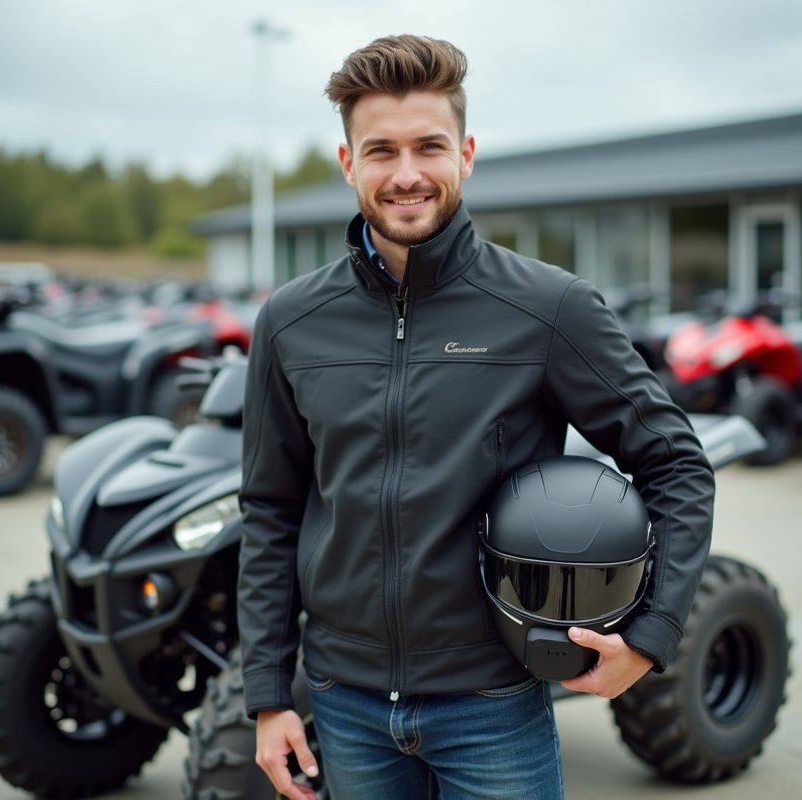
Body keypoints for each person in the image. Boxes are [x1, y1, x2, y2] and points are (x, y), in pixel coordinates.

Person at [238, 35, 715, 800]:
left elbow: (676, 463)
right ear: (348, 162)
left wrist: (652, 635)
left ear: (464, 154)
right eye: (381, 150)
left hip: (493, 704)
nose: (406, 174)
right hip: (342, 699)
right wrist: (267, 693)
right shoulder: (290, 321)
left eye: (428, 147)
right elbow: (270, 507)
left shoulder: (548, 307)